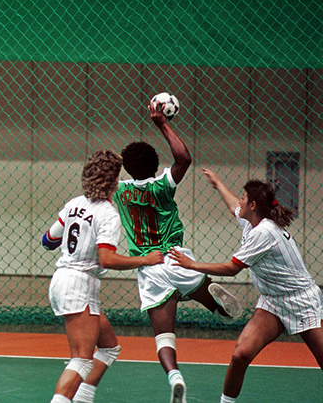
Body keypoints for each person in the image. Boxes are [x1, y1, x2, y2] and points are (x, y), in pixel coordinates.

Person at [111, 99, 243, 403]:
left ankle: (175, 377)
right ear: (156, 166)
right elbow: (184, 159)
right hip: (177, 258)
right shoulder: (162, 186)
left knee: (164, 336)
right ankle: (213, 301)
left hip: (149, 267)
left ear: (127, 168)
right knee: (204, 294)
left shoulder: (122, 192)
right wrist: (162, 123)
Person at [170, 169, 323, 403]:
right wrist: (218, 183)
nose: (239, 200)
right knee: (241, 354)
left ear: (252, 205)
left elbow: (232, 268)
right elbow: (234, 205)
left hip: (301, 300)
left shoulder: (264, 232)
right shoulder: (252, 220)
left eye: (243, 197)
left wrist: (192, 265)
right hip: (273, 301)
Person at [42, 149, 165, 403]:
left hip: (63, 279)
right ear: (114, 182)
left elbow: (48, 240)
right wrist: (146, 259)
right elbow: (106, 259)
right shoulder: (108, 214)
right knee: (81, 360)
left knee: (109, 347)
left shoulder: (74, 204)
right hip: (79, 284)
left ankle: (83, 398)